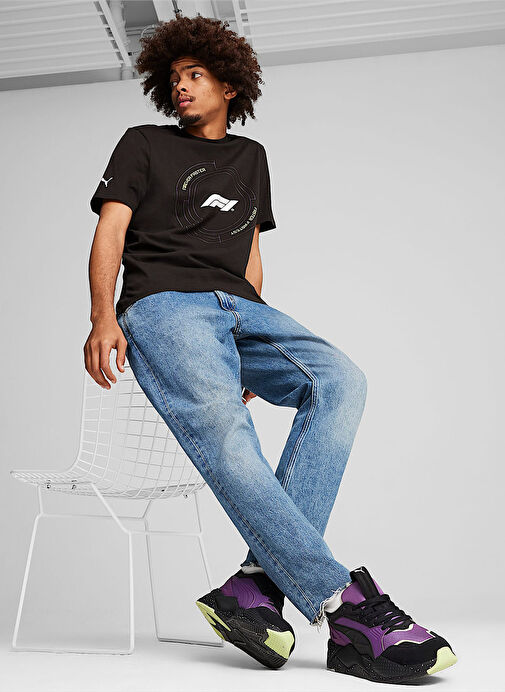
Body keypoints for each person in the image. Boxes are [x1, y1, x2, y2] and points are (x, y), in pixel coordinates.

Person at [84, 14, 457, 683]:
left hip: (239, 309)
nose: (181, 87)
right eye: (174, 78)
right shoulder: (143, 143)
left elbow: (250, 253)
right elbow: (111, 229)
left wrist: (250, 337)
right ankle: (343, 606)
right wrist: (102, 316)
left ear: (229, 84)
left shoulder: (250, 157)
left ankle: (255, 587)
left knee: (339, 380)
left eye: (195, 74)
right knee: (228, 433)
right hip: (164, 305)